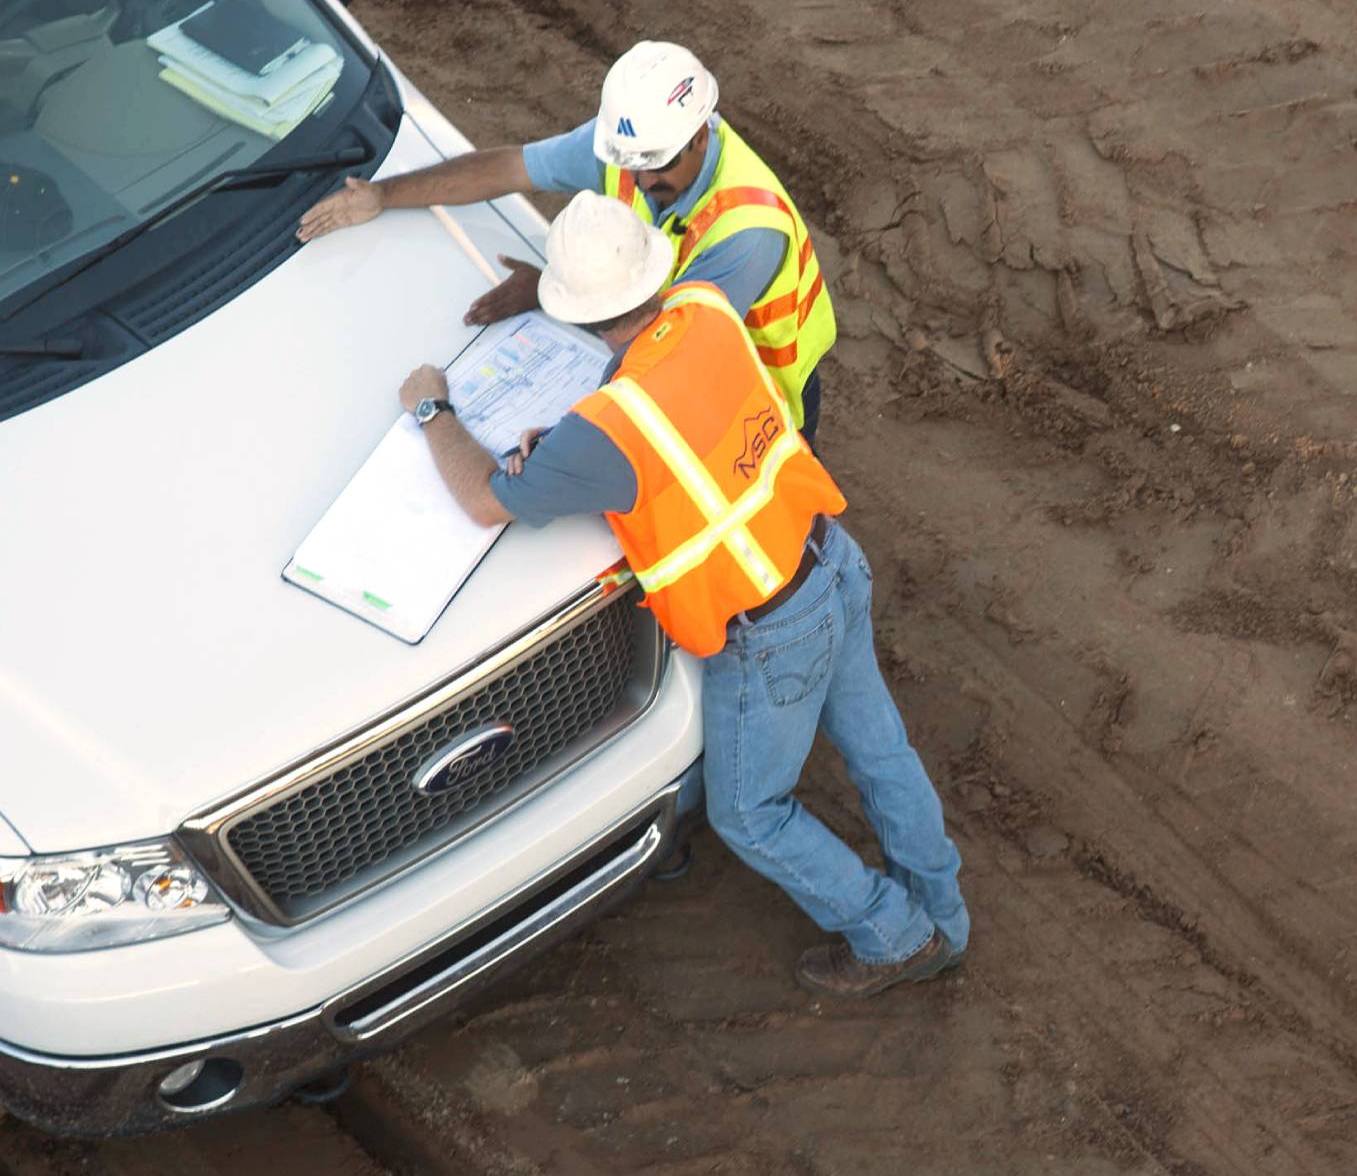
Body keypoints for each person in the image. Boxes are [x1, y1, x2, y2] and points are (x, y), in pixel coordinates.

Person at [396, 191, 966, 999]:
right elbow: (677, 410)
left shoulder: (608, 429)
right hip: (831, 561)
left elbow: (486, 498)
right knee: (881, 753)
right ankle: (944, 911)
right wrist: (567, 446)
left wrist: (431, 408)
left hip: (772, 635)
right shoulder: (703, 306)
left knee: (751, 816)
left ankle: (894, 936)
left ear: (578, 313)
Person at [311, 40, 835, 447]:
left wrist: (552, 291)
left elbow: (669, 351)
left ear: (700, 134)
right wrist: (384, 195)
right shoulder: (629, 145)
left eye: (659, 164)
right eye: (634, 164)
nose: (644, 179)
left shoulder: (748, 230)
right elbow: (510, 167)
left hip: (765, 391)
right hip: (694, 352)